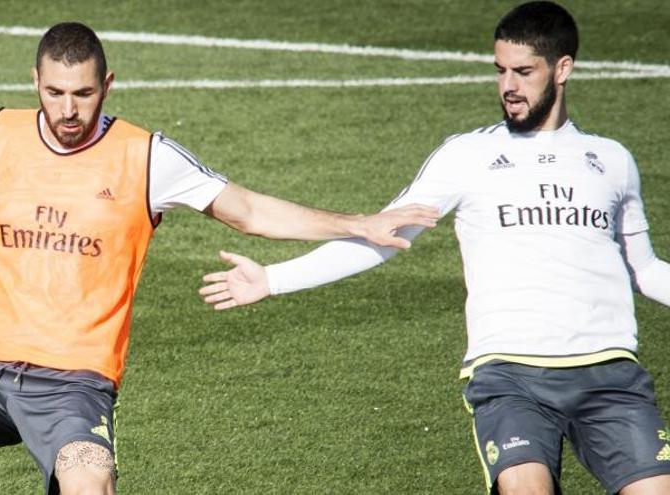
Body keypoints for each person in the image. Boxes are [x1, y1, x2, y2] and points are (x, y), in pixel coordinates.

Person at [0, 22, 438, 495]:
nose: (68, 111)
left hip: (71, 381)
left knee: (87, 478)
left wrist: (356, 221)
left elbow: (246, 209)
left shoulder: (145, 155)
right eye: (54, 93)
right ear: (34, 84)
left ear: (108, 84)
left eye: (83, 94)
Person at [200, 2, 670, 493]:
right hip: (511, 375)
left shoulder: (612, 161)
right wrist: (274, 279)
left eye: (524, 72)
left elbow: (645, 269)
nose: (508, 86)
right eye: (500, 70)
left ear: (563, 68)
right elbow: (383, 237)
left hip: (610, 373)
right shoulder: (467, 156)